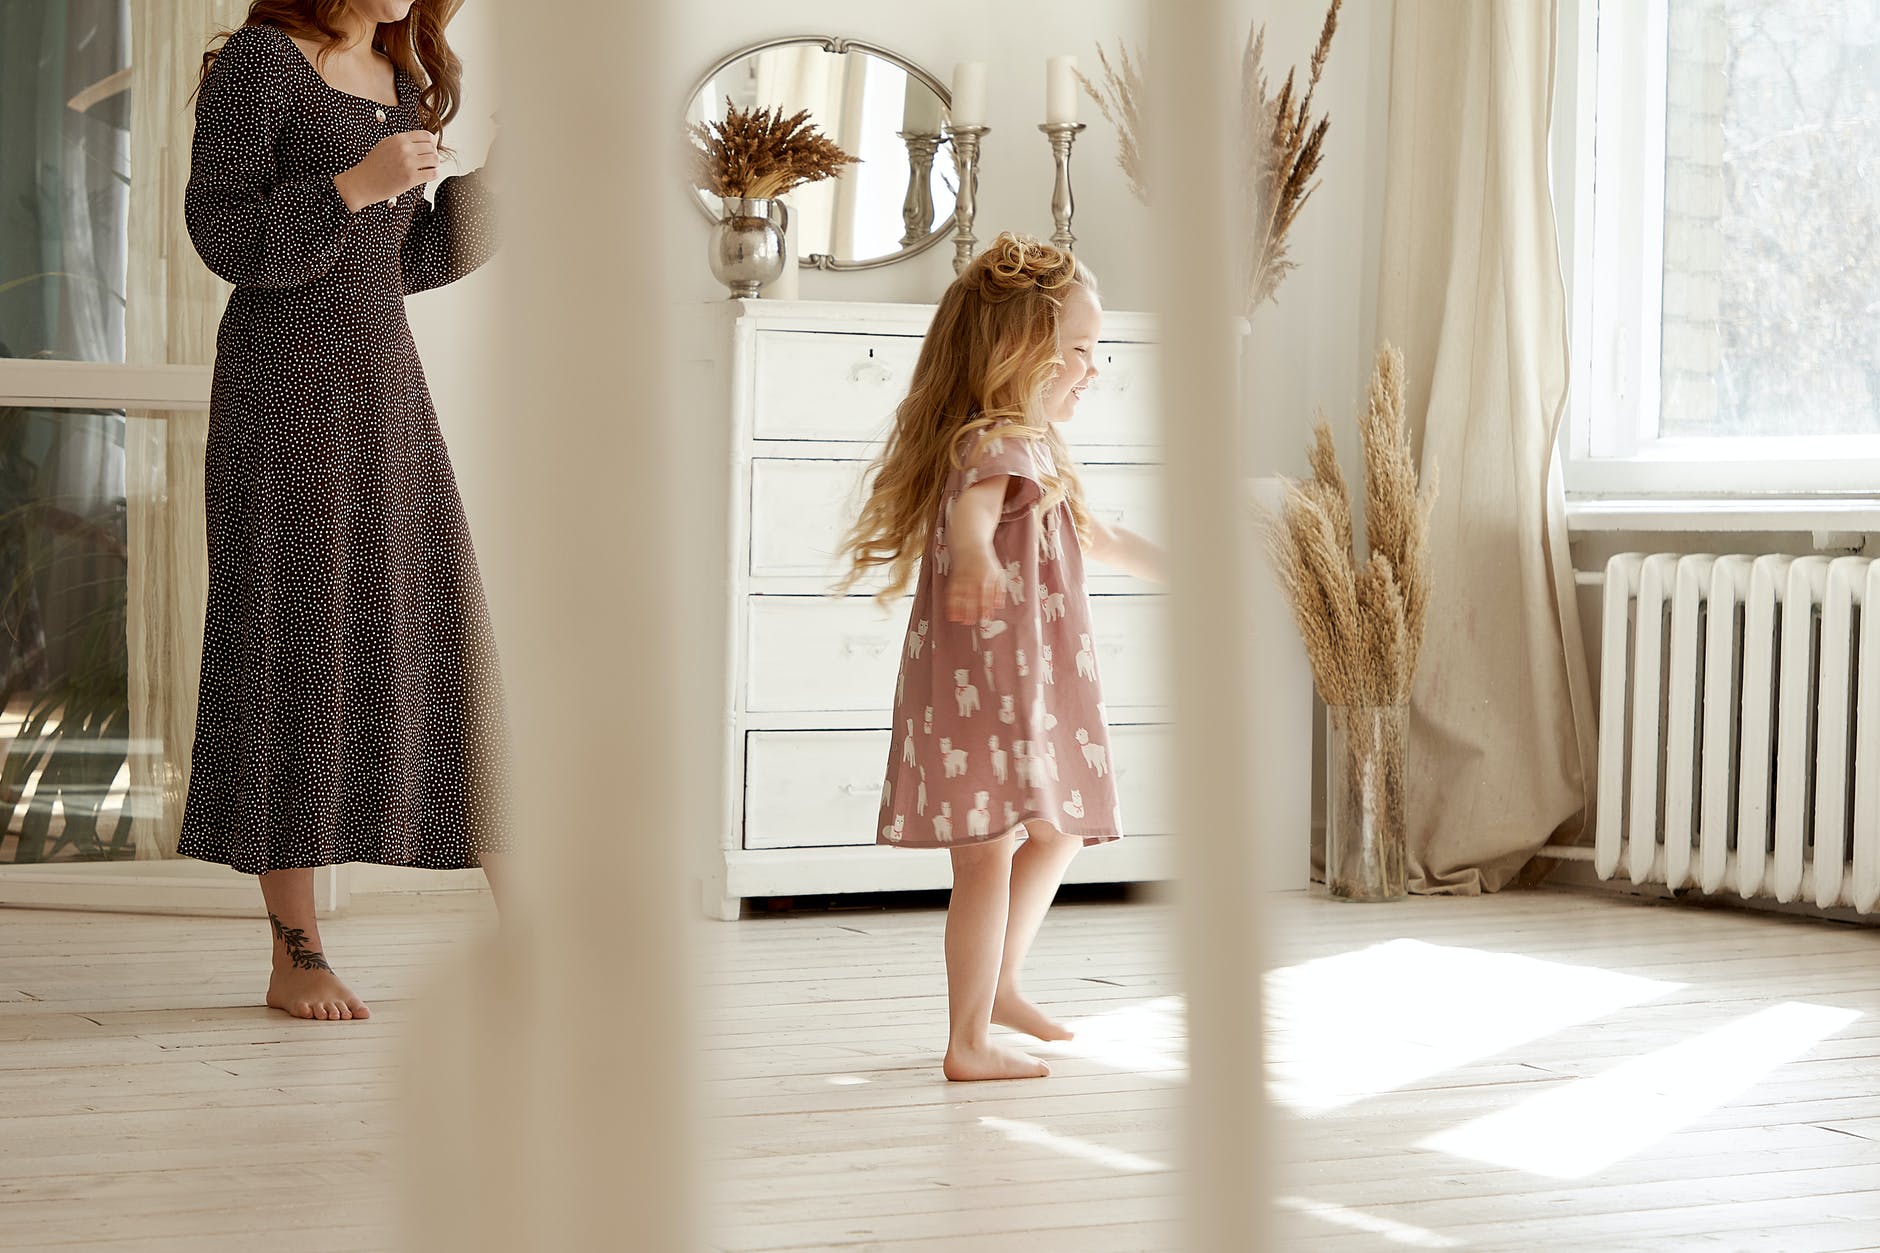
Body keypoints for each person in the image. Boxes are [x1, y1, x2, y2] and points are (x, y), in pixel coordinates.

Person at [181, 0, 508, 1022]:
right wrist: (352, 186)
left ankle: (539, 932)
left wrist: (497, 187)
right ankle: (296, 950)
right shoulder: (261, 65)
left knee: (441, 639)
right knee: (293, 646)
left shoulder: (399, 69)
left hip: (383, 388)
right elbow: (226, 235)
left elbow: (403, 262)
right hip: (282, 390)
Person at [840, 234, 1167, 1081]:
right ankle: (968, 1040)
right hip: (991, 676)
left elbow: (1095, 536)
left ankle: (1005, 985)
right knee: (988, 852)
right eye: (1080, 352)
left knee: (1060, 828)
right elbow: (973, 518)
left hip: (1030, 678)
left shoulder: (1031, 445)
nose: (1093, 369)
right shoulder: (997, 443)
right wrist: (978, 556)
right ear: (1023, 353)